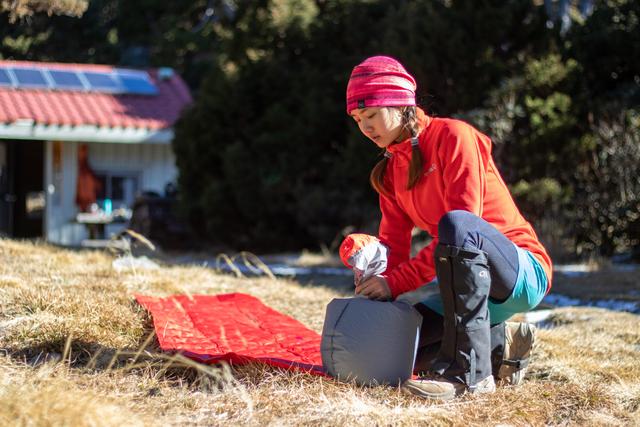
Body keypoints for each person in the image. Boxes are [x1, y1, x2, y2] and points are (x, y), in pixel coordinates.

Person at [345, 56, 552, 399]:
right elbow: (393, 246)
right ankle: (503, 348)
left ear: (401, 104)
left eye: (371, 115)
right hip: (465, 288)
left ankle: (469, 376)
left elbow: (465, 230)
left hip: (520, 272)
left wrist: (396, 281)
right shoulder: (391, 169)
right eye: (357, 119)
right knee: (401, 351)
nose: (365, 127)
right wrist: (378, 282)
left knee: (456, 224)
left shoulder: (454, 137)